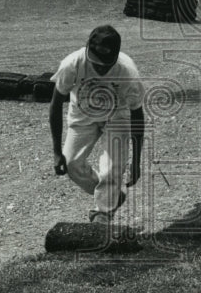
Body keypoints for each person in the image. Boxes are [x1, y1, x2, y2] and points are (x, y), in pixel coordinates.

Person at [50, 25, 145, 225]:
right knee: (71, 164)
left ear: (116, 57)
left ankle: (102, 213)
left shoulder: (128, 72)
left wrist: (136, 161)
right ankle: (112, 196)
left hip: (116, 117)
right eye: (96, 63)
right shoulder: (72, 64)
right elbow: (56, 103)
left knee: (111, 169)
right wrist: (57, 151)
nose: (100, 68)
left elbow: (137, 116)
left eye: (105, 65)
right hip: (82, 115)